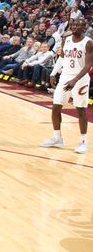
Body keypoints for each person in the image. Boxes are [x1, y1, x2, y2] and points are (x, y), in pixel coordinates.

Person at [40, 17, 92, 153]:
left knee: (80, 109)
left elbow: (88, 65)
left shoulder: (88, 43)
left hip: (80, 79)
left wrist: (75, 80)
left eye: (78, 25)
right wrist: (53, 73)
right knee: (56, 107)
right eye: (73, 25)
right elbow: (62, 58)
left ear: (84, 27)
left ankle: (83, 142)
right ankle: (57, 138)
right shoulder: (66, 40)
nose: (75, 27)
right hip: (65, 77)